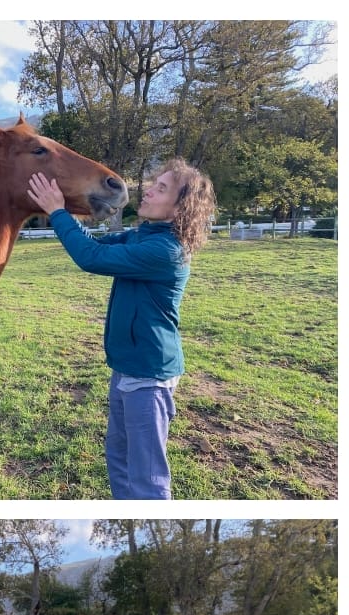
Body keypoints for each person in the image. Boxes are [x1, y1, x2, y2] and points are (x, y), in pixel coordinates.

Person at [27, 161, 217, 499]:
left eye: (161, 188)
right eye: (153, 183)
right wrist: (66, 216)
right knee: (119, 457)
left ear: (180, 207)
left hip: (148, 375)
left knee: (147, 475)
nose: (149, 190)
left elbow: (92, 259)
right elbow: (95, 245)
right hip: (127, 368)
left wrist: (56, 212)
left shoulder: (165, 250)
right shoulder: (145, 235)